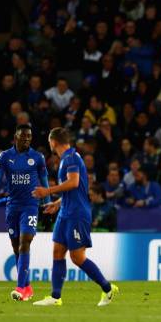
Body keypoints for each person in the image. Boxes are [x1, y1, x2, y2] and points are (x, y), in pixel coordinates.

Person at [31, 127, 118, 306]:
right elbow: (75, 190)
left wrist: (47, 191)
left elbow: (73, 182)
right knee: (57, 251)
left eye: (49, 141)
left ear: (54, 141)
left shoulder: (71, 158)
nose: (49, 144)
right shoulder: (66, 159)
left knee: (77, 257)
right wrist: (57, 204)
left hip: (77, 213)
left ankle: (108, 289)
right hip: (66, 212)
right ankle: (55, 297)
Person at [0, 124, 50, 301]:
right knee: (16, 247)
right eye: (23, 136)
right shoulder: (5, 156)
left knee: (25, 242)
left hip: (30, 205)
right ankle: (27, 287)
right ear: (15, 137)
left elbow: (44, 180)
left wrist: (48, 203)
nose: (27, 139)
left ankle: (20, 288)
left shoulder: (37, 157)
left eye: (29, 136)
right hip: (12, 206)